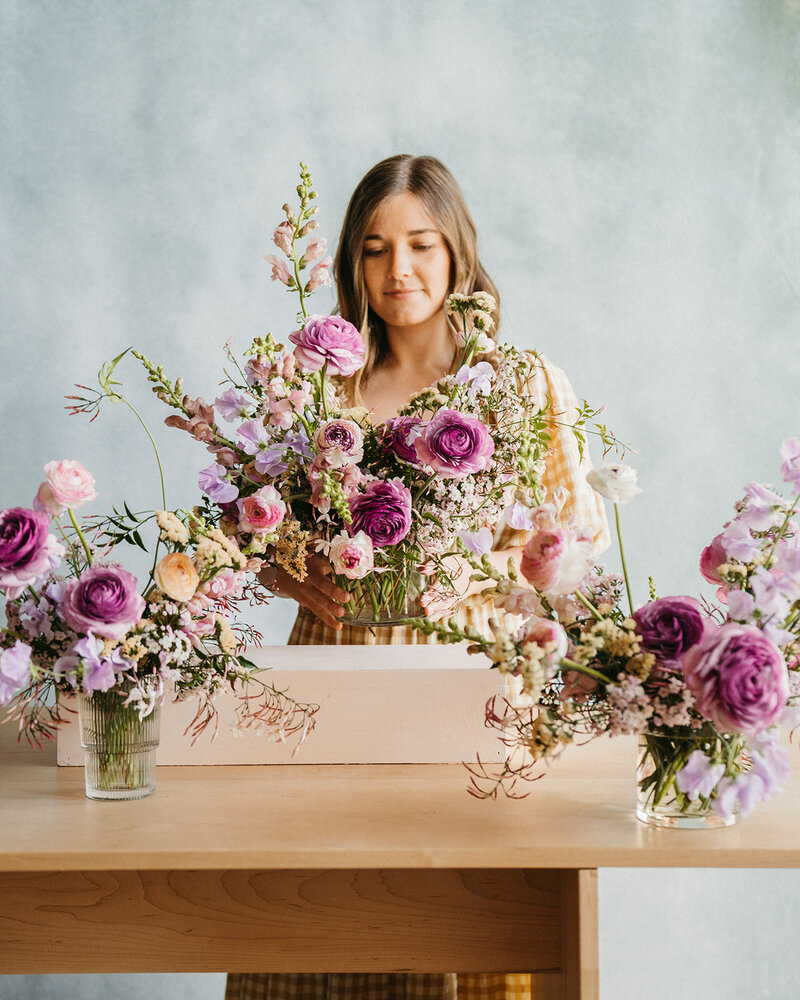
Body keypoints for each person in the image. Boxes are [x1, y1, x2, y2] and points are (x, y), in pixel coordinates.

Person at [225, 155, 609, 1000]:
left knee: (466, 925)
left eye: (421, 245)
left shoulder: (521, 383)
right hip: (331, 679)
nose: (399, 270)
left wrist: (488, 579)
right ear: (350, 266)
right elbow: (244, 530)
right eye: (374, 249)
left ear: (457, 253)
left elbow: (574, 549)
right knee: (316, 916)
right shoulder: (318, 387)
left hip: (467, 680)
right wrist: (290, 576)